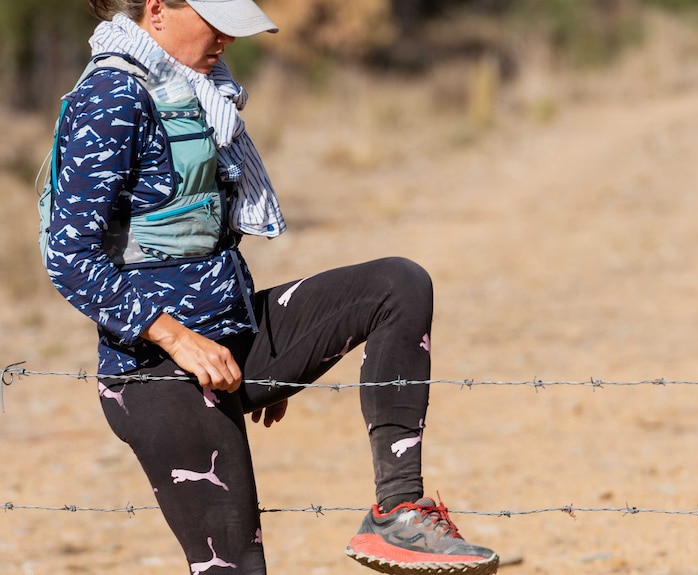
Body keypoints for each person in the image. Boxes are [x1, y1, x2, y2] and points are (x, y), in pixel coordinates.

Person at [42, 1, 500, 573]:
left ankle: (399, 514)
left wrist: (271, 350)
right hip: (158, 370)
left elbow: (207, 241)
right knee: (236, 568)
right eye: (216, 24)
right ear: (157, 10)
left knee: (397, 285)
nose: (227, 41)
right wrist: (178, 340)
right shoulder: (112, 96)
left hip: (235, 338)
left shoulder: (195, 92)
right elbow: (67, 254)